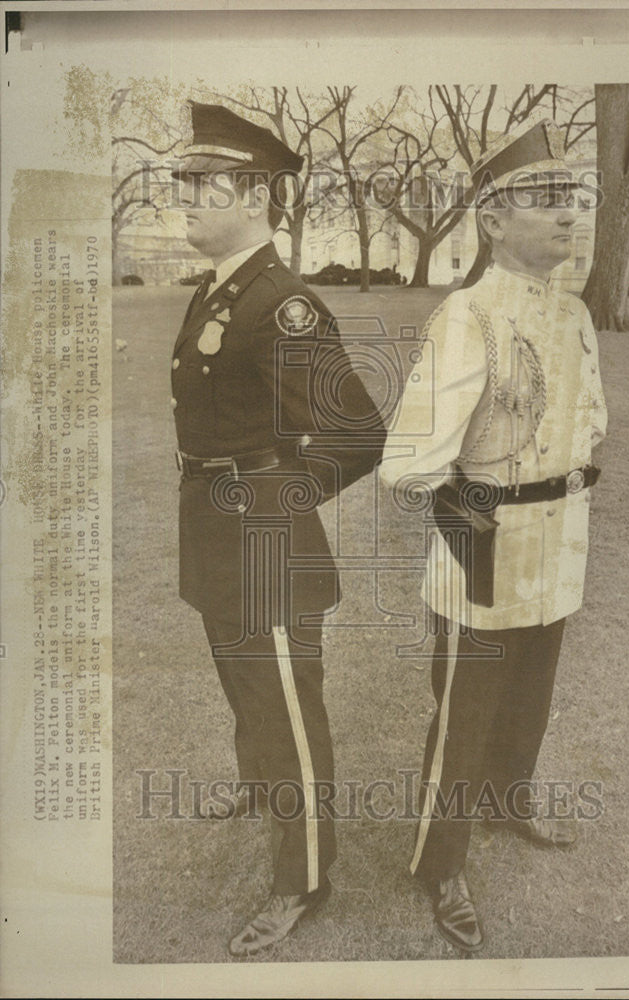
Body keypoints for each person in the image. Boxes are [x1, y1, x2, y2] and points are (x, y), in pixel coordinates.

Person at [380, 119, 608, 954]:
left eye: (571, 200)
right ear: (491, 221)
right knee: (464, 714)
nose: (567, 216)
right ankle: (441, 863)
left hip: (559, 536)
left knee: (531, 695)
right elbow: (407, 459)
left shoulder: (576, 311)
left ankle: (510, 803)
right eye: (544, 200)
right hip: (486, 539)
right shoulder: (467, 314)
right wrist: (466, 515)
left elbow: (588, 428)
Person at [170, 102, 385, 957]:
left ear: (257, 194)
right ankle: (263, 786)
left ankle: (302, 877)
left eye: (202, 183)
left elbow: (356, 436)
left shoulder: (283, 303)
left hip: (262, 536)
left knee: (287, 703)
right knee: (243, 684)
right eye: (182, 181)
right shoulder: (216, 289)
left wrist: (276, 501)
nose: (182, 197)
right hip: (213, 527)